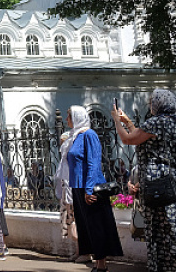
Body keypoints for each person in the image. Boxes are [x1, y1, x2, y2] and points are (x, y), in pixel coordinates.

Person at [113, 89, 176, 272]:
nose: (150, 105)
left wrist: (117, 122)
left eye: (152, 101)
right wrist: (129, 122)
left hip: (156, 184)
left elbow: (127, 139)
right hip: (171, 182)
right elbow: (142, 139)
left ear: (158, 103)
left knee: (160, 231)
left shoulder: (157, 122)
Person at [68, 105, 123, 272]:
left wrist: (89, 189)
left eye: (69, 116)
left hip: (89, 187)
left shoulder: (89, 135)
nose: (66, 120)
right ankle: (98, 263)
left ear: (77, 117)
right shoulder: (76, 136)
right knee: (87, 227)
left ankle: (101, 265)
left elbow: (93, 163)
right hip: (78, 186)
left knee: (96, 225)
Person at [54, 131, 81, 261]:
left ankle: (82, 251)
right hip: (67, 196)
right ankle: (78, 251)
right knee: (71, 225)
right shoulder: (64, 161)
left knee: (75, 225)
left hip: (72, 196)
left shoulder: (71, 160)